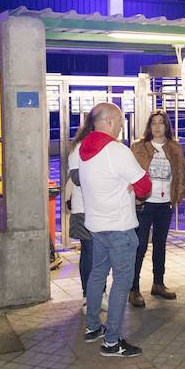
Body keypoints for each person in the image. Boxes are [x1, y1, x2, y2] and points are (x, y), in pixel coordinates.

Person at [78, 102, 151, 357]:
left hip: (97, 227)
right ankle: (112, 341)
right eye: (119, 122)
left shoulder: (83, 151)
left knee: (97, 275)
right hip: (119, 227)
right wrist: (133, 186)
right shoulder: (116, 151)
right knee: (122, 282)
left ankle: (92, 328)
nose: (121, 127)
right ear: (108, 122)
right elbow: (144, 185)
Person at [128, 109, 185, 307]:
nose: (158, 126)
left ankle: (158, 284)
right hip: (144, 203)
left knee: (160, 245)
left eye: (162, 122)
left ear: (167, 126)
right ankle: (133, 288)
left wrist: (177, 196)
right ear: (149, 126)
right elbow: (129, 172)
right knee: (140, 246)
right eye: (154, 123)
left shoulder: (174, 148)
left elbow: (179, 174)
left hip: (165, 204)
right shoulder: (139, 147)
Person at [64, 115, 98, 317]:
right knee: (90, 250)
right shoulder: (80, 147)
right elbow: (76, 177)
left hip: (101, 208)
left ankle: (98, 294)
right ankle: (88, 296)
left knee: (100, 253)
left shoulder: (110, 146)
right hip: (84, 208)